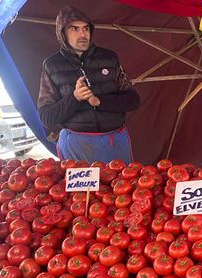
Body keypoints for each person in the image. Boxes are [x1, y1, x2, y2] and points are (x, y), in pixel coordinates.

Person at [37, 5, 140, 165]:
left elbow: (133, 100)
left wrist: (99, 101)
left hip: (114, 142)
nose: (82, 34)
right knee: (83, 192)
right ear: (62, 33)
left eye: (86, 28)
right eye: (74, 29)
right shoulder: (52, 66)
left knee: (119, 189)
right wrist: (75, 97)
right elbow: (47, 118)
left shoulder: (109, 58)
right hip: (76, 146)